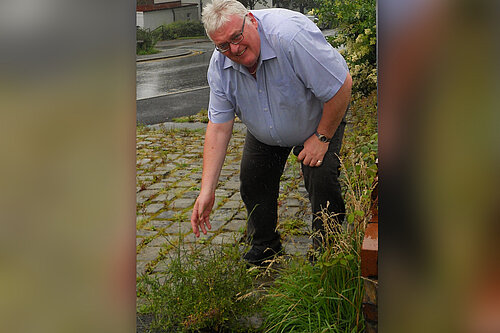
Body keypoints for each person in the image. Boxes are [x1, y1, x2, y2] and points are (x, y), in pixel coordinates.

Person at [190, 0, 352, 265]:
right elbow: (218, 128)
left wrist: (322, 138)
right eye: (222, 45)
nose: (234, 49)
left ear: (252, 20)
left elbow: (341, 86)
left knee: (321, 177)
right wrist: (207, 189)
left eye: (237, 37)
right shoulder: (220, 65)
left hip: (318, 117)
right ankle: (265, 245)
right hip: (265, 125)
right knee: (253, 179)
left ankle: (327, 252)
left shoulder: (290, 37)